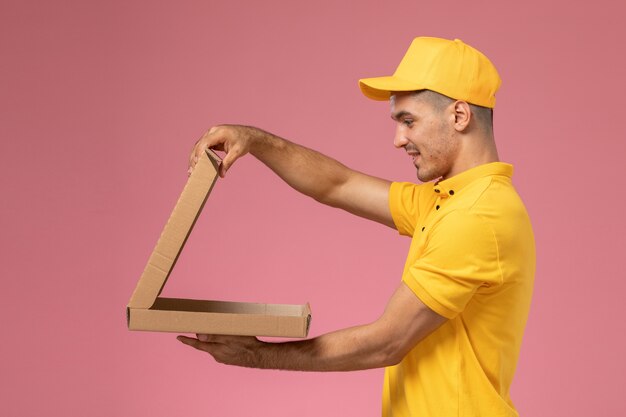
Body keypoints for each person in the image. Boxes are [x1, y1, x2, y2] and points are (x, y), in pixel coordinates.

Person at [178, 37, 535, 417]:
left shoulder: (474, 217)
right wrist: (255, 140)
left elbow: (387, 342)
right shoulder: (450, 201)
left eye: (408, 121)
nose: (399, 140)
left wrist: (255, 353)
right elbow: (338, 184)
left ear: (460, 116)